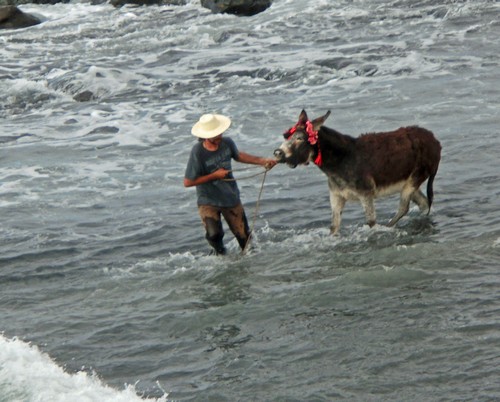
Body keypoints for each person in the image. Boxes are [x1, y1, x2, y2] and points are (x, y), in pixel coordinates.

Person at [184, 113, 277, 255]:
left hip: (230, 198)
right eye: (216, 134)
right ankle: (220, 254)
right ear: (206, 136)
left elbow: (239, 156)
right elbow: (188, 182)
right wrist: (214, 175)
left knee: (244, 239)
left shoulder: (227, 143)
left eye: (220, 132)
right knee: (214, 235)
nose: (220, 136)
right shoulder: (198, 152)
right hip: (208, 201)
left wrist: (263, 161)